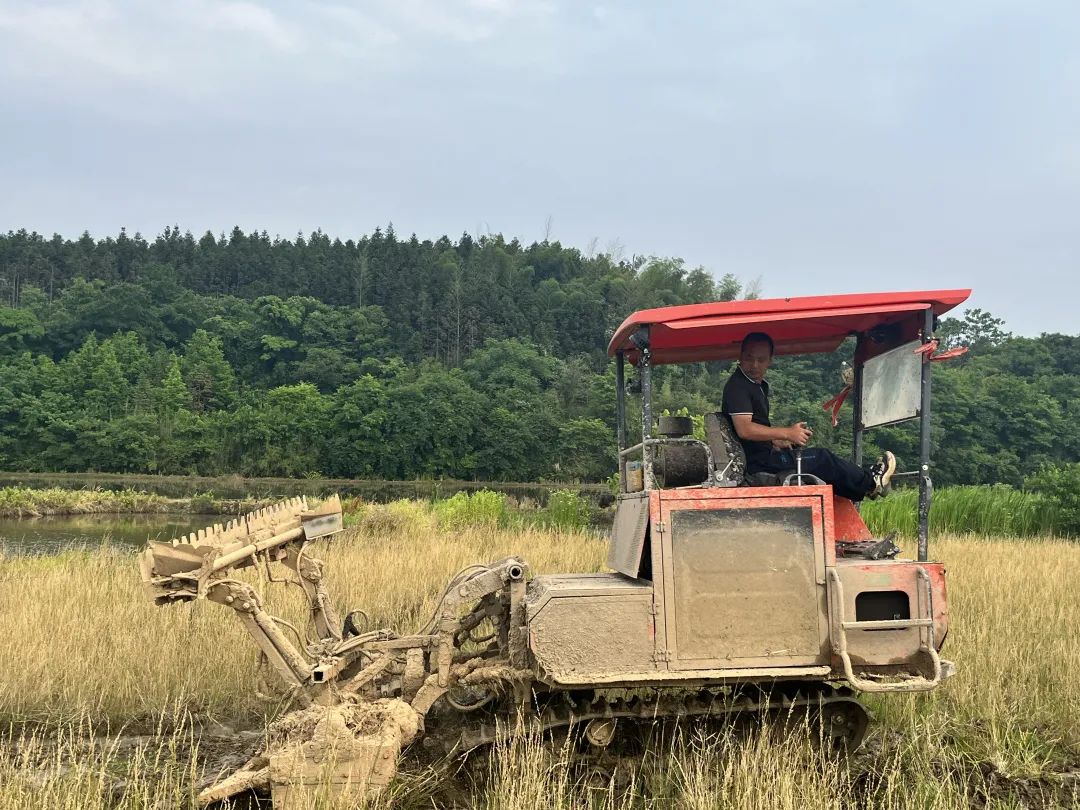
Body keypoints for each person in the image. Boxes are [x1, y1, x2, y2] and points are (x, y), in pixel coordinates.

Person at [721, 332, 895, 501]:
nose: (754, 365)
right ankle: (871, 482)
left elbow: (752, 430)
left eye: (761, 360)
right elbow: (744, 429)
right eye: (749, 358)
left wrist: (777, 441)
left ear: (770, 361)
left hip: (761, 456)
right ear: (741, 356)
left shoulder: (755, 385)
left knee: (815, 459)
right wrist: (787, 433)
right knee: (822, 458)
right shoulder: (738, 387)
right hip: (759, 464)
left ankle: (866, 488)